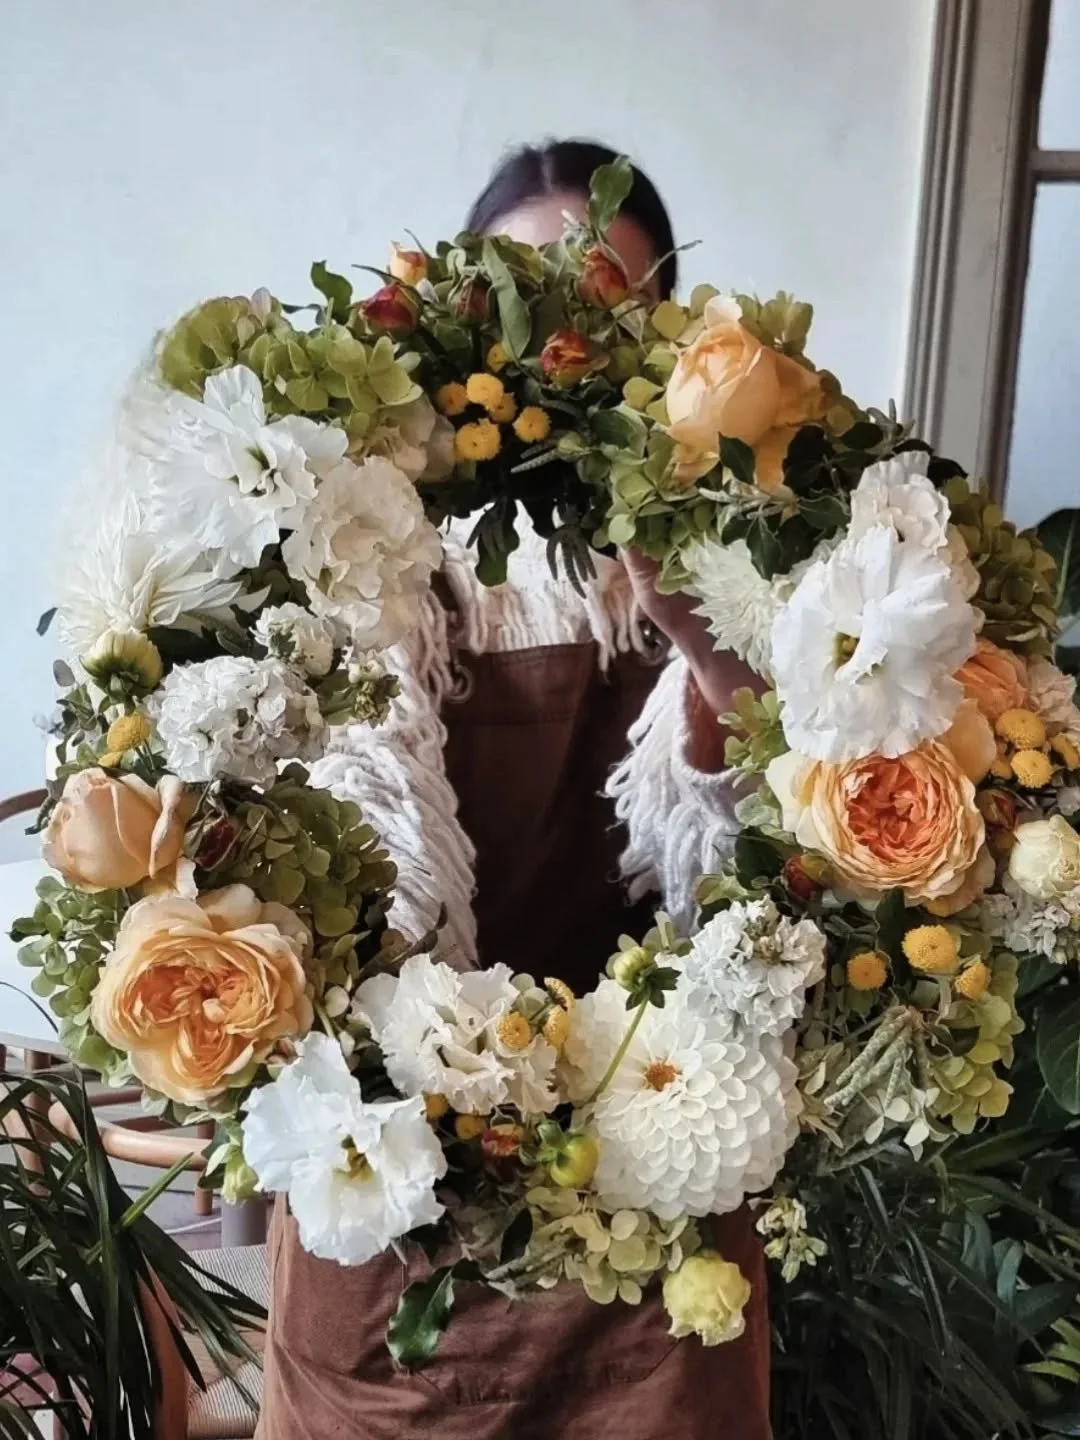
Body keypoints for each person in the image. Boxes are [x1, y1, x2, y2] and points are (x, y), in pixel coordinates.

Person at [256, 139, 769, 1440]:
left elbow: (739, 879)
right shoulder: (346, 536)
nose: (563, 343)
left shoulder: (729, 537)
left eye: (608, 311)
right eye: (528, 296)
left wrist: (710, 645)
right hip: (390, 1202)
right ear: (450, 311)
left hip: (652, 1196)